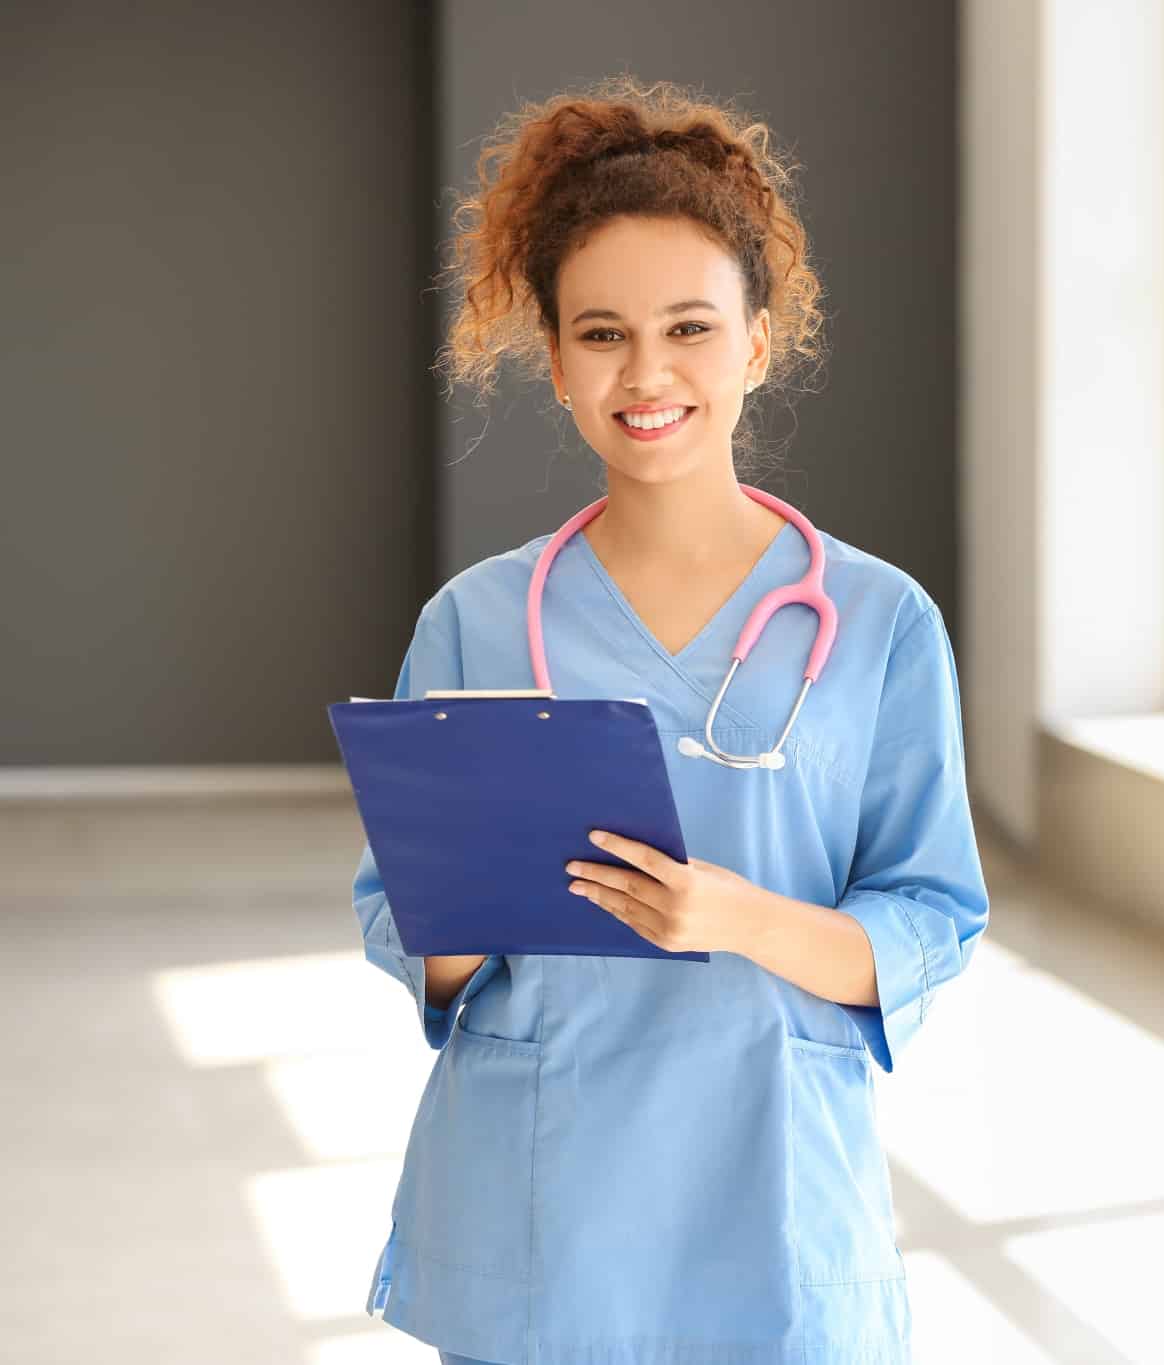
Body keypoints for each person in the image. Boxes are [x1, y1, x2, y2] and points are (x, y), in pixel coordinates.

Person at [349, 75, 989, 1365]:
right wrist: (463, 921)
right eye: (601, 334)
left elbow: (930, 919)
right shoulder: (476, 621)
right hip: (548, 1212)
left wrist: (732, 915)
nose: (647, 374)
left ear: (759, 341)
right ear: (555, 360)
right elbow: (407, 931)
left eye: (690, 327)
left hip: (773, 1200)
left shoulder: (877, 622)